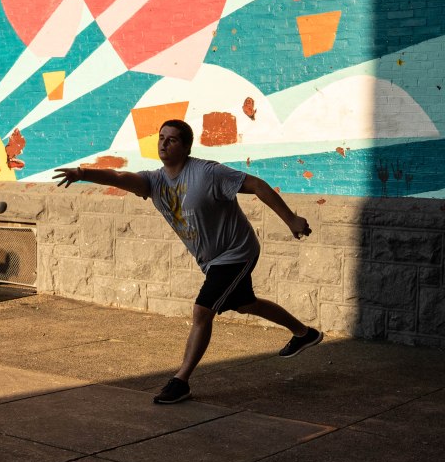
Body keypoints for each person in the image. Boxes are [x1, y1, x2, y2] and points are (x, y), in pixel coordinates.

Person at [53, 119, 322, 404]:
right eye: (161, 138)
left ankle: (181, 381)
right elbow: (118, 177)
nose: (164, 144)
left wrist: (291, 219)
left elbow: (256, 185)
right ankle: (304, 333)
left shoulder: (208, 173)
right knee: (245, 304)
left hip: (237, 251)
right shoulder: (154, 181)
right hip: (212, 260)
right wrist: (83, 173)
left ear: (186, 147)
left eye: (172, 140)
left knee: (202, 312)